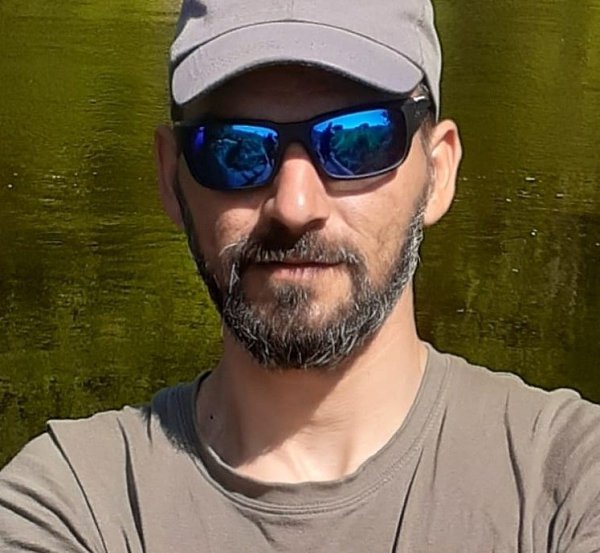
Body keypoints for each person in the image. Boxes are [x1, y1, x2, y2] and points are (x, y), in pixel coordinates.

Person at [1, 0, 599, 551]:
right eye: (234, 149)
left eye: (359, 141)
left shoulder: (567, 483)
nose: (293, 205)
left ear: (438, 173)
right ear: (171, 177)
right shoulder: (74, 504)